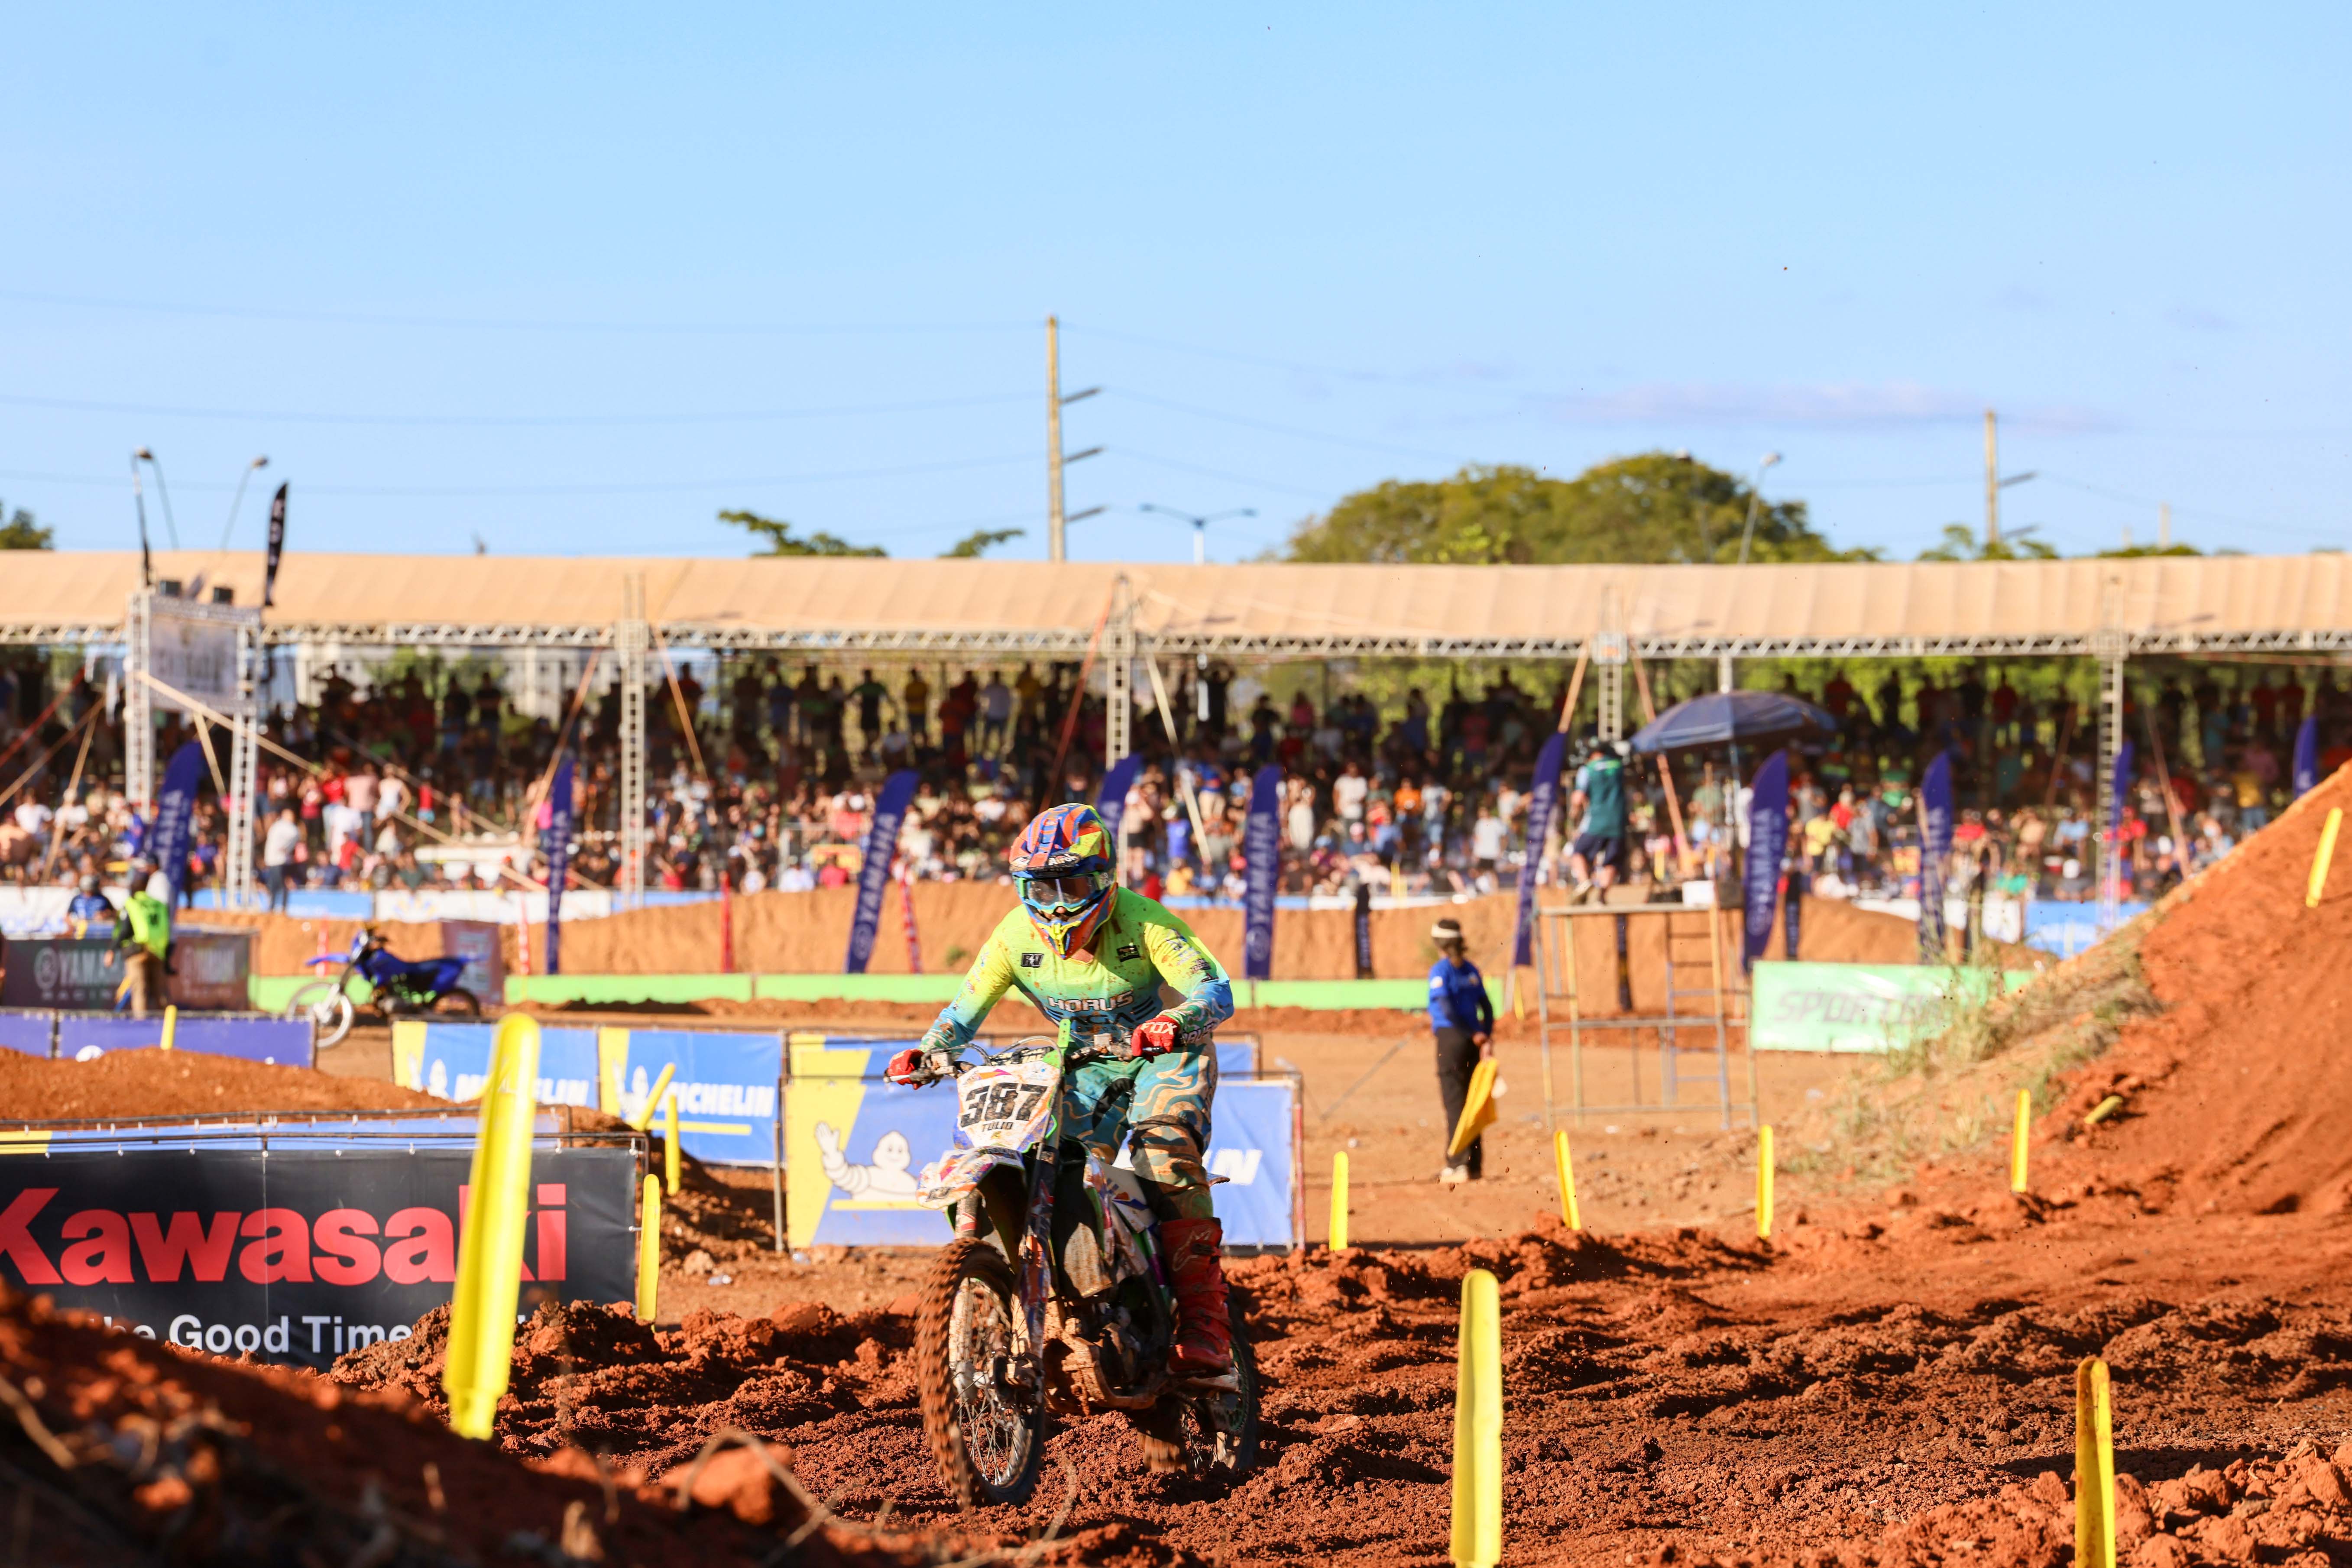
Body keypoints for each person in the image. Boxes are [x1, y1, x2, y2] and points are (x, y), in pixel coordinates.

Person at [888, 802, 1240, 1377]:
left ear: (1102, 877)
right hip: (1081, 1066)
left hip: (1165, 1056)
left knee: (1162, 1153)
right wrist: (927, 1052)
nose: (1055, 903)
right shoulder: (1013, 937)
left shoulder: (1146, 923)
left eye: (1069, 883)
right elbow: (963, 1013)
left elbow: (1215, 990)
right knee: (1042, 1159)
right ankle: (1068, 1300)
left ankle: (1205, 1324)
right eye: (1039, 887)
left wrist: (1177, 1022)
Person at [1427, 917, 1494, 1185]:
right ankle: (1475, 1165)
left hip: (1452, 1039)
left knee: (1456, 1104)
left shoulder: (1441, 971)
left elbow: (1446, 1009)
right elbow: (1487, 1006)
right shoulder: (1471, 970)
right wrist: (1484, 1036)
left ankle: (1457, 1165)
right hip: (1474, 1041)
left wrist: (1471, 1034)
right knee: (1473, 1102)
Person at [1568, 739, 1630, 894]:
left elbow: (1578, 798)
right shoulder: (1619, 766)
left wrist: (1574, 812)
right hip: (1618, 823)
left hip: (1596, 822)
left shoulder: (1588, 769)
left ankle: (1584, 883)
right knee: (1612, 861)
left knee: (1578, 853)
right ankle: (1600, 896)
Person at [112, 859, 172, 1018]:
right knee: (160, 992)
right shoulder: (157, 904)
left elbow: (125, 929)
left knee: (140, 990)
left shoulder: (133, 904)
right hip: (157, 951)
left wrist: (112, 949)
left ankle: (142, 1024)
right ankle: (166, 1028)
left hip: (137, 951)